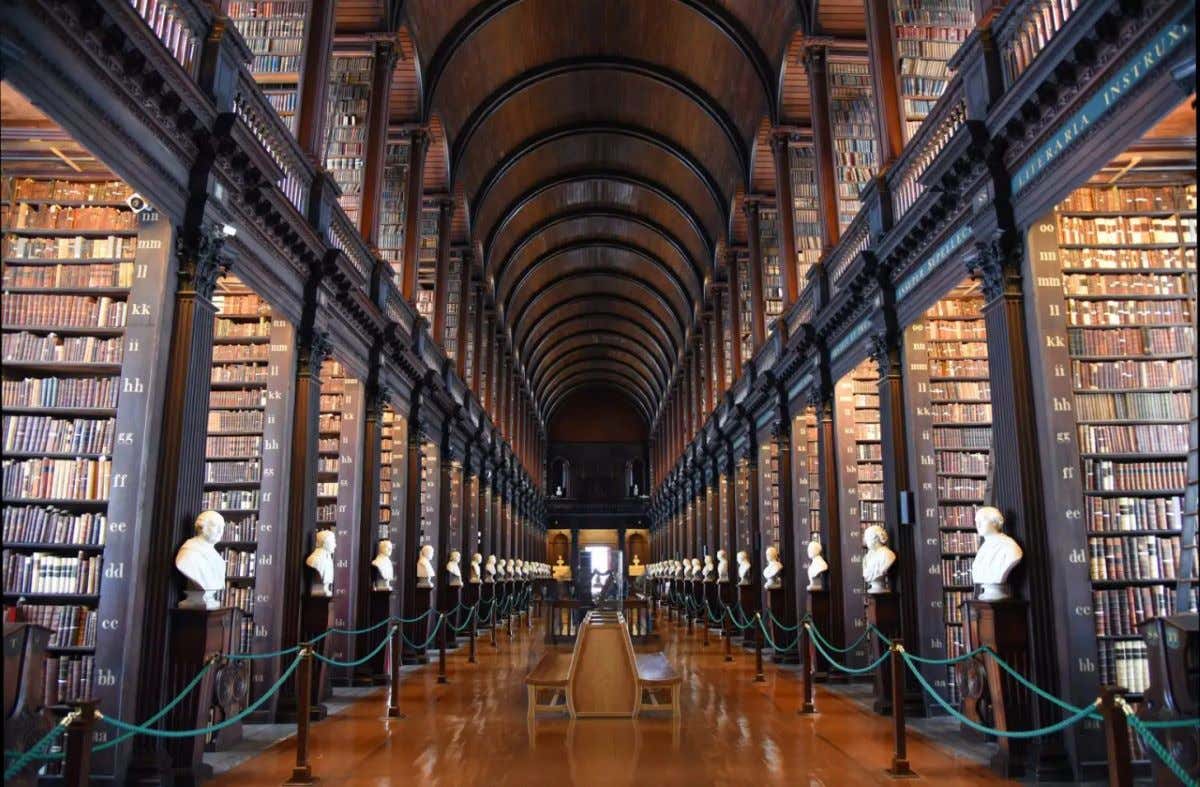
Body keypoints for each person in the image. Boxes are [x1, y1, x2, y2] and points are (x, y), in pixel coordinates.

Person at [175, 510, 226, 609]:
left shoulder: (218, 559)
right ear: (202, 526)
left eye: (222, 527)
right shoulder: (190, 552)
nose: (220, 531)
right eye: (215, 525)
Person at [971, 506, 1023, 600]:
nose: (978, 524)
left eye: (982, 520)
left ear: (994, 522)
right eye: (976, 521)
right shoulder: (982, 549)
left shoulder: (1009, 547)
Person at [862, 525, 896, 594]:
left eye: (867, 538)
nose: (865, 541)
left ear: (875, 539)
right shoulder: (868, 556)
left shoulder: (887, 554)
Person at [306, 529, 336, 597]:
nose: (335, 545)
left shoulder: (328, 558)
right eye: (333, 542)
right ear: (325, 543)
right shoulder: (315, 559)